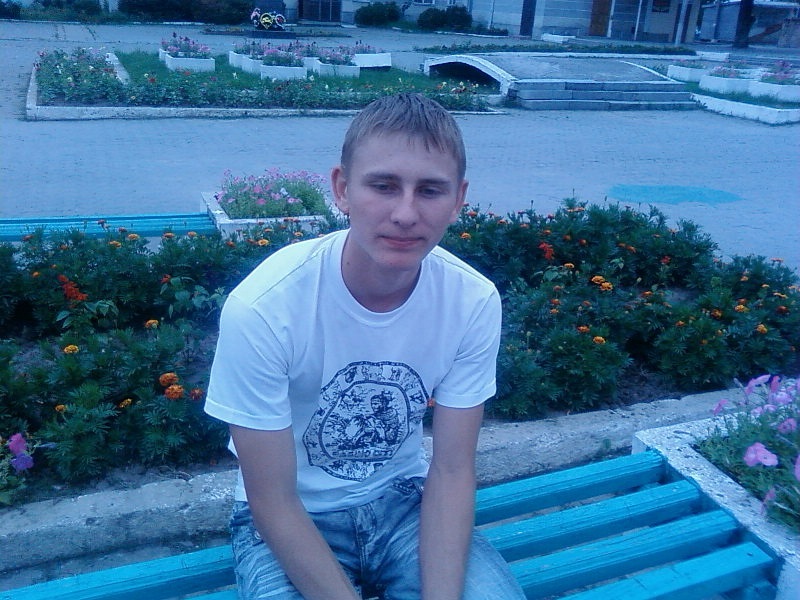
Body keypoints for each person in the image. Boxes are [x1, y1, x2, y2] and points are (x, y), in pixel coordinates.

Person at [204, 92, 526, 600]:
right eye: (383, 185)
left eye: (430, 190)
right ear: (342, 189)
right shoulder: (265, 307)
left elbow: (451, 469)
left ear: (458, 200)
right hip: (295, 515)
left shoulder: (472, 300)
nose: (405, 213)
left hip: (407, 503)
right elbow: (273, 501)